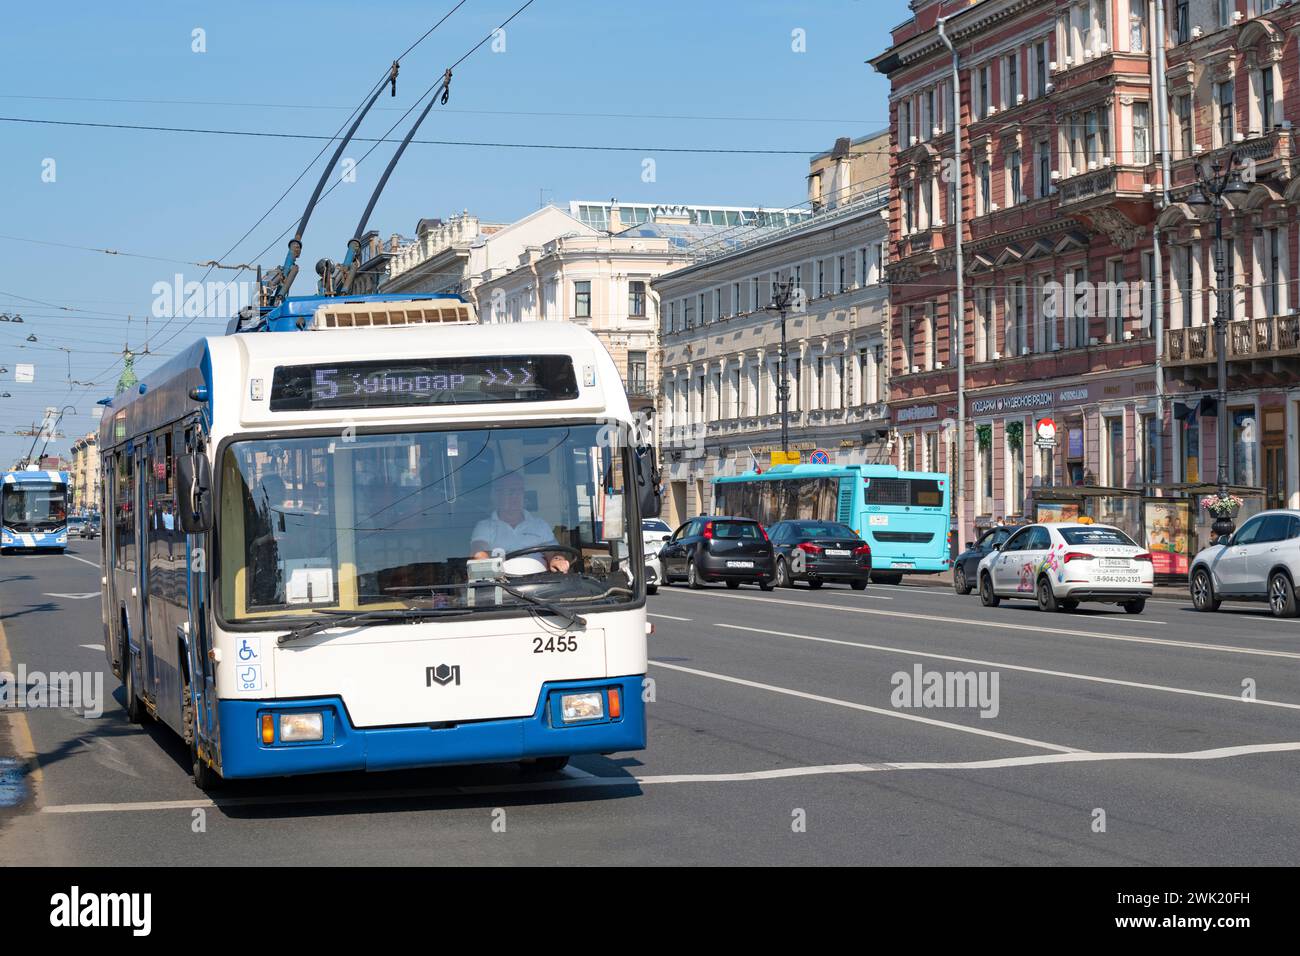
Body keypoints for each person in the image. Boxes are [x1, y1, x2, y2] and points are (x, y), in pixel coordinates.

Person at [470, 471, 570, 574]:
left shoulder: (539, 525)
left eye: (520, 491)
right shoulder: (485, 527)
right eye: (511, 492)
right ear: (498, 495)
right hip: (501, 585)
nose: (516, 497)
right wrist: (483, 562)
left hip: (542, 584)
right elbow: (479, 552)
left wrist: (557, 560)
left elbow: (553, 552)